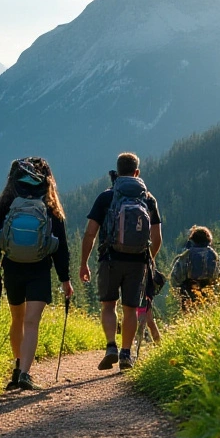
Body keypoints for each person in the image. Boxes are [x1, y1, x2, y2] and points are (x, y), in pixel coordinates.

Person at [0, 157, 73, 391]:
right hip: (40, 270)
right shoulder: (50, 204)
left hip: (12, 267)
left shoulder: (7, 203)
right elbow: (61, 246)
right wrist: (66, 279)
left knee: (17, 320)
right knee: (32, 323)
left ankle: (17, 367)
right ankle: (25, 373)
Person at [79, 152, 162, 370]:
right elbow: (157, 238)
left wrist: (83, 263)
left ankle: (111, 347)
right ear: (137, 172)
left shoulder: (106, 197)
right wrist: (148, 262)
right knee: (131, 308)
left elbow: (90, 233)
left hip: (110, 259)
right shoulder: (148, 199)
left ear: (117, 172)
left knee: (108, 305)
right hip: (138, 262)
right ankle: (126, 353)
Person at [169, 225, 220, 314]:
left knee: (189, 315)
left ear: (193, 239)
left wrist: (177, 287)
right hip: (208, 289)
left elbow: (176, 275)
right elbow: (218, 274)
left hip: (189, 289)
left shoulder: (187, 254)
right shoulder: (213, 254)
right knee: (207, 313)